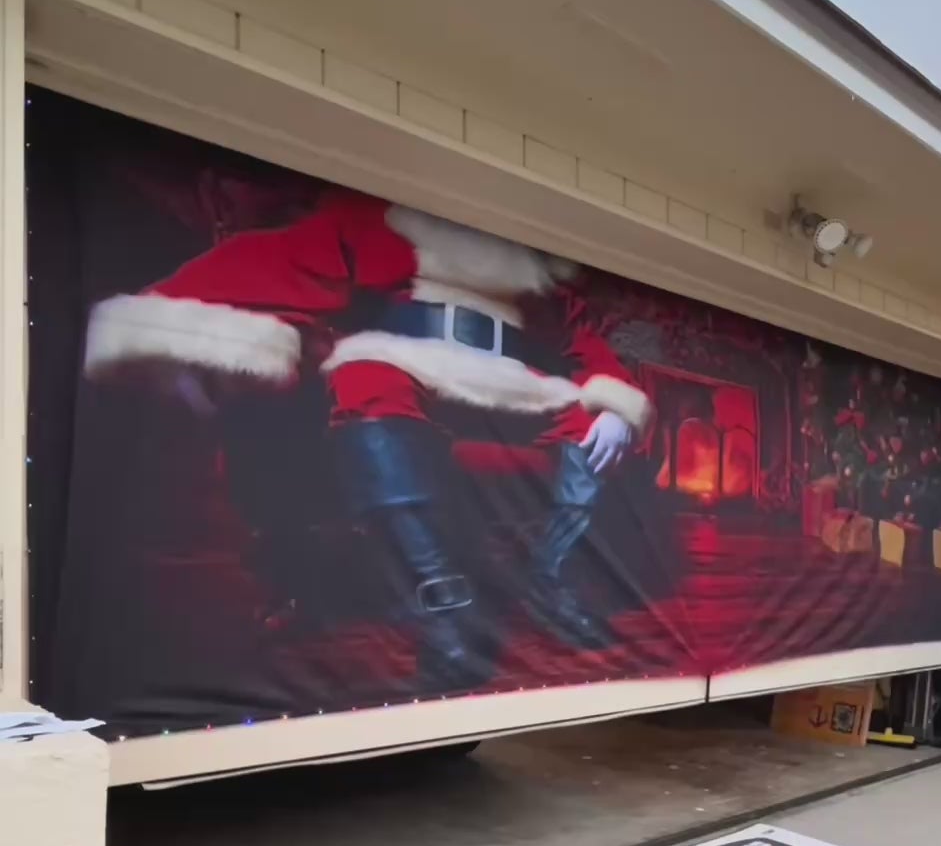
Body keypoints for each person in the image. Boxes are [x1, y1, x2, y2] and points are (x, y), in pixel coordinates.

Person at [85, 191, 652, 690]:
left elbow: (582, 341)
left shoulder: (539, 274)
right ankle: (442, 598)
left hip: (512, 375)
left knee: (588, 421)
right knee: (368, 380)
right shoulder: (382, 224)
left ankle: (550, 581)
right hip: (406, 355)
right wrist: (181, 332)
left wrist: (618, 404)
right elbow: (278, 262)